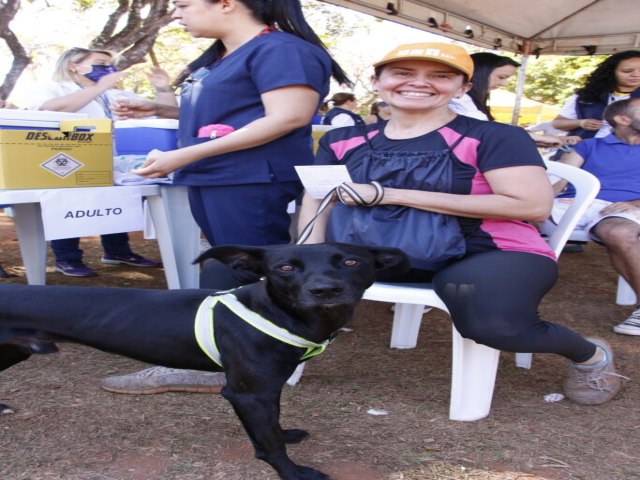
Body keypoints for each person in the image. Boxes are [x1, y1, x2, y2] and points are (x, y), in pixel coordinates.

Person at [296, 42, 625, 406]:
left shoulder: (495, 136)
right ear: (377, 81)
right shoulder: (343, 139)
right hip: (380, 248)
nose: (420, 83)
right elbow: (317, 196)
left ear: (463, 89)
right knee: (259, 274)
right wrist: (311, 256)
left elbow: (532, 205)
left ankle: (591, 355)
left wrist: (389, 194)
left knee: (494, 325)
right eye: (403, 73)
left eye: (440, 76)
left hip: (485, 250)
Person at [100, 0, 351, 394]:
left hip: (251, 178)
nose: (176, 13)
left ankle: (247, 361)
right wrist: (160, 106)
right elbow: (233, 111)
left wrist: (185, 154)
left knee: (252, 269)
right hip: (218, 177)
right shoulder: (222, 55)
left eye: (182, 4)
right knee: (235, 266)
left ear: (226, 3)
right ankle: (231, 355)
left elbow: (288, 116)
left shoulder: (281, 48)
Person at [30, 47, 164, 277]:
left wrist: (163, 88)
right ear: (74, 65)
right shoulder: (54, 88)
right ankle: (67, 258)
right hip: (66, 156)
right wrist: (100, 86)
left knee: (113, 199)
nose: (109, 70)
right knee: (68, 203)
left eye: (111, 65)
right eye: (101, 63)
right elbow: (48, 109)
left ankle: (117, 251)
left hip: (107, 156)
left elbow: (162, 112)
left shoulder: (114, 94)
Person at [553, 98, 640, 335]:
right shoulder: (588, 146)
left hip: (626, 207)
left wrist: (634, 203)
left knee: (617, 231)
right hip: (575, 204)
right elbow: (561, 180)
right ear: (623, 119)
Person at [450, 52, 581, 148]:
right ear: (480, 73)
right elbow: (485, 128)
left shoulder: (471, 99)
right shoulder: (458, 98)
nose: (504, 83)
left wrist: (539, 140)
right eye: (501, 77)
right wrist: (538, 137)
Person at [552, 50, 640, 140]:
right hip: (583, 148)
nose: (636, 75)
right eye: (627, 71)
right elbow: (558, 123)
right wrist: (581, 123)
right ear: (611, 72)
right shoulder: (587, 95)